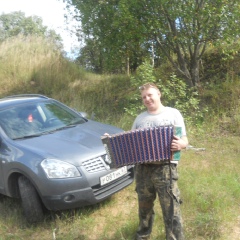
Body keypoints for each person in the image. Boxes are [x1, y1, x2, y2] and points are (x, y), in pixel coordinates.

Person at [132, 82, 188, 240]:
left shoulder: (173, 113)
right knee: (144, 208)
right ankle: (142, 236)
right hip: (142, 169)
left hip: (165, 168)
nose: (147, 99)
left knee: (171, 208)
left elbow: (184, 139)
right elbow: (130, 142)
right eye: (144, 97)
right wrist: (112, 143)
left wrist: (181, 144)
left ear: (158, 94)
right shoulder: (140, 118)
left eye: (150, 95)